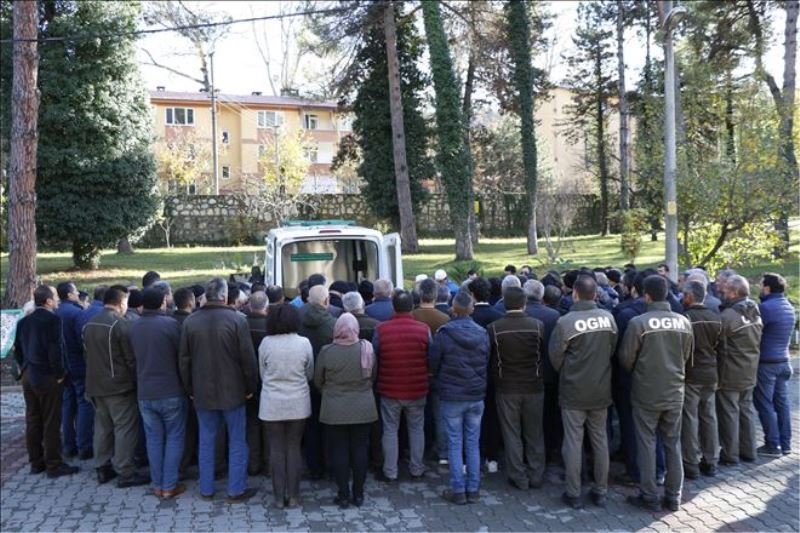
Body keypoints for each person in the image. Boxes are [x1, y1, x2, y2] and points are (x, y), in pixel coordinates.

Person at [179, 277, 259, 503]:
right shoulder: (237, 320)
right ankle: (236, 489)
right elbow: (248, 359)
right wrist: (250, 387)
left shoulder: (191, 321)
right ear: (224, 297)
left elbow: (184, 360)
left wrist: (189, 388)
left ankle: (206, 489)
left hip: (202, 391)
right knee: (237, 441)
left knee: (206, 441)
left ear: (206, 296)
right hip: (234, 392)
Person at [619, 275, 693, 512]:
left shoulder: (638, 323)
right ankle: (674, 496)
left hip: (646, 392)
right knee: (673, 443)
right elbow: (687, 356)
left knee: (647, 442)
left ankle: (649, 494)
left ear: (646, 296)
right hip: (675, 390)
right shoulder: (684, 322)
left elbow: (626, 359)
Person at [549, 276, 617, 509]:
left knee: (573, 442)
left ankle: (573, 493)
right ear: (595, 294)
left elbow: (555, 357)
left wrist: (571, 371)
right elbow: (611, 349)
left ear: (574, 294)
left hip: (573, 390)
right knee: (600, 441)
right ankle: (601, 491)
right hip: (601, 389)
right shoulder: (608, 318)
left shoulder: (565, 322)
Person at [83, 286, 149, 488]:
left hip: (95, 385)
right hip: (118, 386)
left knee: (102, 427)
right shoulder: (120, 324)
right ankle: (125, 470)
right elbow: (130, 359)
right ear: (121, 302)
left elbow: (86, 354)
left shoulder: (89, 323)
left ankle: (102, 466)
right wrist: (136, 380)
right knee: (124, 428)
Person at [430, 291, 489, 505]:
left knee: (454, 443)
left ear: (453, 308)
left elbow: (433, 363)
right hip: (475, 394)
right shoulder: (482, 333)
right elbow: (487, 360)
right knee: (472, 443)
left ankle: (458, 490)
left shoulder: (444, 334)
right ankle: (473, 488)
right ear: (471, 309)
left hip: (452, 395)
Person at [14, 285, 79, 478]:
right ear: (48, 301)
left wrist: (24, 367)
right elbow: (55, 349)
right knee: (51, 420)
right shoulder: (52, 320)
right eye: (55, 297)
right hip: (46, 375)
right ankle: (54, 464)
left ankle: (36, 462)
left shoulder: (24, 321)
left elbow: (18, 349)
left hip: (28, 374)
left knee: (33, 418)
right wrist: (60, 374)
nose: (58, 300)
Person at [315, 313, 377, 508]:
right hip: (363, 407)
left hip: (334, 409)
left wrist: (328, 392)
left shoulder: (327, 351)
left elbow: (318, 380)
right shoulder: (367, 349)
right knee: (360, 449)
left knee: (339, 451)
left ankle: (343, 494)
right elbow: (373, 376)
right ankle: (358, 494)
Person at [129, 288, 187, 499]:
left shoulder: (134, 326)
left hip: (145, 392)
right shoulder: (170, 325)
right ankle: (169, 485)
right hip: (170, 390)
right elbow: (182, 356)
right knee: (174, 437)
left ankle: (157, 484)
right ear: (162, 303)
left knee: (153, 440)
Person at [487, 286, 546, 490]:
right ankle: (536, 474)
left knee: (511, 433)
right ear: (524, 303)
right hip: (533, 386)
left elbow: (491, 358)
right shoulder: (538, 326)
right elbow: (543, 355)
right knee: (534, 432)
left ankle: (518, 475)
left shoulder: (494, 328)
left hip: (507, 387)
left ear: (504, 303)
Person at [258, 304, 314, 508]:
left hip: (271, 402)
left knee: (276, 448)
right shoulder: (304, 343)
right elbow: (310, 373)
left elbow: (262, 374)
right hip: (298, 402)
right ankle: (294, 495)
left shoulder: (266, 343)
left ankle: (278, 497)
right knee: (293, 447)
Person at [373, 291, 431, 481]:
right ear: (412, 307)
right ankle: (417, 468)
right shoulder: (423, 329)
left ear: (393, 307)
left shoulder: (381, 329)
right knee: (417, 428)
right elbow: (430, 356)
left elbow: (375, 355)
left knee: (390, 429)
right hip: (417, 388)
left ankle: (390, 471)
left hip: (389, 389)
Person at [716, 275, 763, 466]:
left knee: (729, 413)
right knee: (746, 411)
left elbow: (717, 342)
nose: (723, 291)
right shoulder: (755, 311)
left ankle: (730, 455)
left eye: (726, 289)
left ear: (735, 293)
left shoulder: (728, 316)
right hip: (750, 369)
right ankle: (749, 451)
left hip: (730, 372)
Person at [680, 281, 722, 479]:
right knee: (709, 417)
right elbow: (720, 347)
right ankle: (711, 460)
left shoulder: (686, 318)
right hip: (711, 373)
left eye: (684, 295)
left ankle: (690, 463)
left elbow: (683, 350)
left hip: (692, 374)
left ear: (689, 297)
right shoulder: (716, 317)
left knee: (690, 418)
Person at [298, 285, 337, 479]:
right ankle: (330, 465)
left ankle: (314, 467)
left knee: (311, 427)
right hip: (328, 383)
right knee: (329, 426)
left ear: (308, 300)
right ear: (326, 301)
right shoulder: (333, 324)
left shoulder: (297, 321)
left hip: (305, 381)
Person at [754, 273, 795, 457]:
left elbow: (755, 333)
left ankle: (772, 445)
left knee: (764, 404)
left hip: (767, 364)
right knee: (782, 404)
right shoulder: (788, 306)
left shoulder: (765, 308)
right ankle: (785, 444)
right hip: (784, 362)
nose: (759, 289)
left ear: (767, 288)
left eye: (761, 285)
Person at [523, 280, 563, 467]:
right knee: (549, 416)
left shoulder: (522, 315)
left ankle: (530, 454)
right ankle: (549, 450)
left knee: (527, 419)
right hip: (549, 373)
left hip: (527, 374)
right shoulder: (554, 315)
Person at [412, 279, 451, 465]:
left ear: (420, 295)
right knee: (439, 414)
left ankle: (419, 449)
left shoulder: (411, 316)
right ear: (435, 296)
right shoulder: (445, 319)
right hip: (438, 374)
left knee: (416, 417)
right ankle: (442, 451)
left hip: (415, 372)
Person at [56, 281, 94, 461]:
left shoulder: (55, 312)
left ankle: (68, 445)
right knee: (83, 403)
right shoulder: (77, 313)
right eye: (75, 291)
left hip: (63, 366)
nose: (78, 293)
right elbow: (82, 340)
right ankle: (84, 445)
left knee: (67, 404)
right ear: (69, 294)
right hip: (78, 364)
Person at [245, 291, 270, 476]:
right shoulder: (271, 326)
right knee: (268, 425)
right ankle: (269, 465)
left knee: (252, 425)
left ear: (249, 306)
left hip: (247, 382)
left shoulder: (241, 324)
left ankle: (253, 464)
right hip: (267, 382)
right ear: (266, 307)